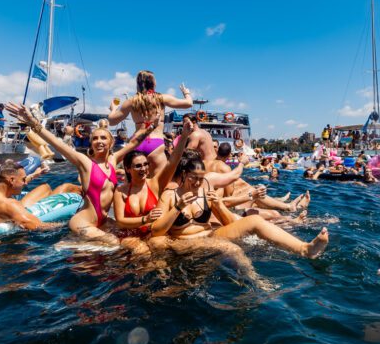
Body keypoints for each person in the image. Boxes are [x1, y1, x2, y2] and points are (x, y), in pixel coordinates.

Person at [6, 102, 154, 241]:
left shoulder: (114, 160)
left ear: (111, 142)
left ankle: (77, 247)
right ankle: (71, 244)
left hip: (102, 222)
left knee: (134, 237)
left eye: (103, 138)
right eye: (95, 138)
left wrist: (150, 127)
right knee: (116, 244)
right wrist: (32, 121)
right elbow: (57, 144)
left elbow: (134, 142)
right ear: (91, 143)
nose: (99, 141)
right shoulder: (85, 163)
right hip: (83, 222)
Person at [149, 158, 328, 258]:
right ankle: (253, 281)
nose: (197, 182)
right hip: (184, 242)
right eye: (193, 177)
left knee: (255, 221)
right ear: (183, 175)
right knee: (235, 250)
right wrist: (178, 208)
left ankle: (305, 249)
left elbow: (227, 223)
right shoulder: (170, 195)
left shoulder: (205, 191)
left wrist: (218, 205)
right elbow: (157, 231)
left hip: (210, 235)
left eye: (201, 177)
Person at [113, 116, 193, 238]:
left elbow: (173, 162)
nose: (144, 169)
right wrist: (145, 219)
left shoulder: (155, 184)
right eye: (138, 166)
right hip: (130, 236)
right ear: (128, 169)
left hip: (153, 234)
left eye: (146, 164)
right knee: (140, 249)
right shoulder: (120, 191)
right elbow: (120, 221)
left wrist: (184, 136)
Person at [107, 70, 193, 175]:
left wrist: (113, 109)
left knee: (134, 185)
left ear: (138, 84)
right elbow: (188, 103)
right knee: (159, 184)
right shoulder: (161, 98)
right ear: (154, 83)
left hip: (136, 143)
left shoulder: (131, 101)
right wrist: (186, 93)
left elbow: (111, 121)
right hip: (155, 143)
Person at [0, 160, 75, 230]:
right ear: (11, 180)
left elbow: (9, 185)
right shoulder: (10, 205)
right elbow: (39, 226)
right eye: (23, 179)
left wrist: (34, 175)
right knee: (67, 187)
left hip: (4, 216)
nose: (25, 183)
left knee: (45, 187)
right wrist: (68, 223)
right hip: (15, 244)